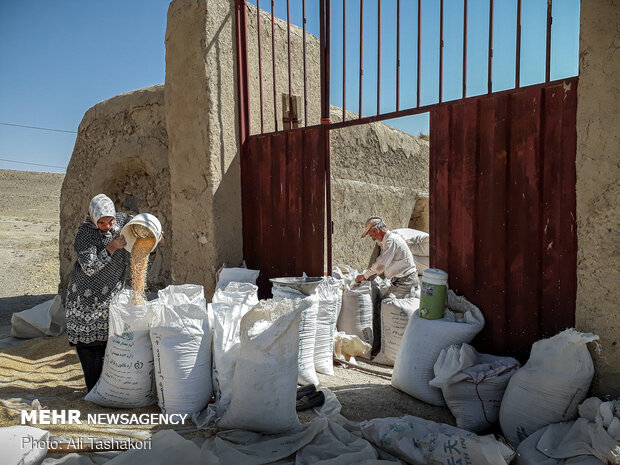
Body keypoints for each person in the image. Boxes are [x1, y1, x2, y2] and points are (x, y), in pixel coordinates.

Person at [65, 194, 132, 391]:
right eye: (102, 222)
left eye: (110, 221)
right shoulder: (85, 233)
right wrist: (112, 247)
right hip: (86, 299)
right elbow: (90, 268)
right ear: (94, 218)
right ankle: (95, 390)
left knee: (107, 343)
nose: (108, 226)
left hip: (110, 296)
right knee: (90, 345)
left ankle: (108, 388)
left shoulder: (120, 220)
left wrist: (155, 232)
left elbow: (138, 223)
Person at [355, 216, 419, 298]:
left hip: (406, 280)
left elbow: (380, 265)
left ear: (376, 230)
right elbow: (382, 262)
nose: (373, 239)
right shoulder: (388, 241)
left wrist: (364, 276)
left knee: (386, 305)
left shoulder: (391, 241)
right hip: (402, 279)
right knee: (388, 305)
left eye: (372, 235)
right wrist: (370, 276)